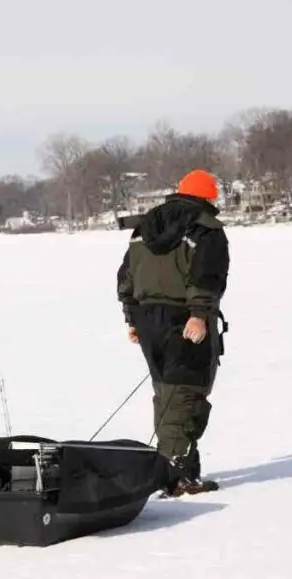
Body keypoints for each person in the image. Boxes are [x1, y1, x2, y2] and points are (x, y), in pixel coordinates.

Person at [116, 169, 230, 496]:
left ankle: (178, 470)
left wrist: (132, 318)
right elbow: (207, 275)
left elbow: (127, 276)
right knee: (185, 395)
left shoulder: (145, 225)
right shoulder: (206, 228)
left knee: (167, 393)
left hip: (148, 318)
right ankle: (174, 476)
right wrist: (199, 315)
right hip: (184, 318)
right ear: (208, 196)